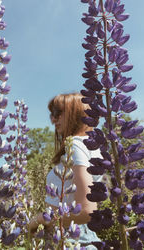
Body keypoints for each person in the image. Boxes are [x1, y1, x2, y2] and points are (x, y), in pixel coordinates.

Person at [29, 93, 102, 249]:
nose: (53, 119)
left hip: (73, 239)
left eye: (58, 113)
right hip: (78, 238)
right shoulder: (91, 145)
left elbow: (87, 211)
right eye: (52, 115)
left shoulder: (75, 144)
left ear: (76, 112)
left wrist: (40, 219)